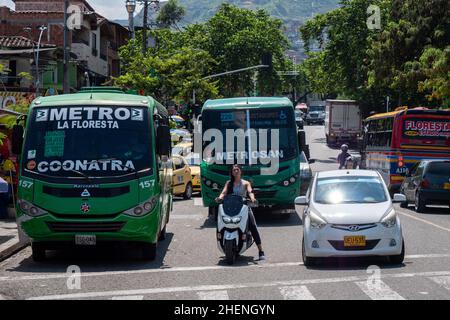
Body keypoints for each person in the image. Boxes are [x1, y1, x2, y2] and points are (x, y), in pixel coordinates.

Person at [215, 164, 266, 260]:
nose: (236, 171)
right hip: (230, 208)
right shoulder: (228, 183)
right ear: (232, 172)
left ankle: (261, 251)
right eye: (234, 170)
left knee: (252, 226)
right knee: (221, 223)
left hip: (244, 208)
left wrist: (253, 199)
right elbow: (223, 192)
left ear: (241, 171)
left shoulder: (246, 183)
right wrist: (219, 198)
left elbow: (250, 192)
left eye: (237, 169)